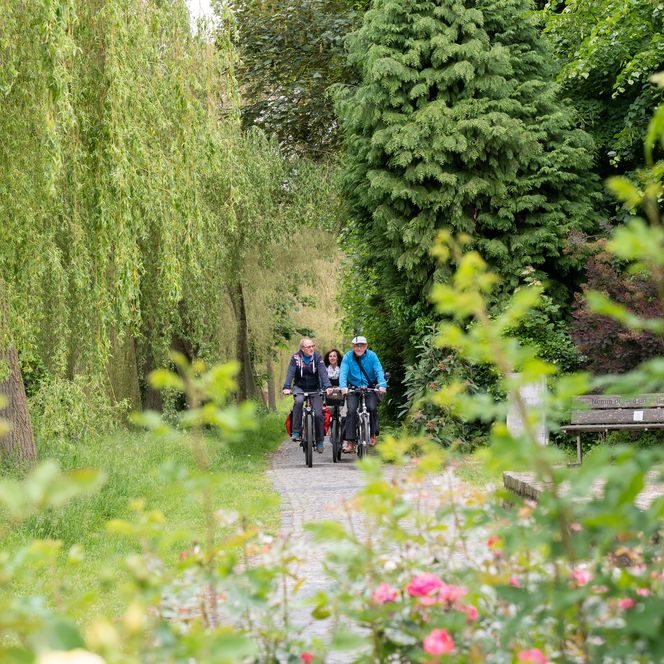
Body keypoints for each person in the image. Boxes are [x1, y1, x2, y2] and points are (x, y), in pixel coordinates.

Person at [283, 338, 332, 453]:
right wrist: (286, 387)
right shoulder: (296, 358)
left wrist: (328, 386)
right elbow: (290, 372)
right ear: (302, 348)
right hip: (299, 387)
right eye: (308, 347)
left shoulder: (317, 357)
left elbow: (323, 372)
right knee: (299, 401)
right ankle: (296, 431)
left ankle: (319, 441)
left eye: (312, 346)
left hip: (315, 388)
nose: (311, 348)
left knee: (319, 414)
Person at [339, 336, 387, 453]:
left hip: (369, 387)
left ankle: (373, 435)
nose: (359, 348)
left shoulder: (372, 356)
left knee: (372, 408)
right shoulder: (347, 357)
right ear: (353, 346)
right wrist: (343, 387)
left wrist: (382, 385)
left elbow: (379, 370)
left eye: (362, 345)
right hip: (353, 388)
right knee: (351, 411)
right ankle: (350, 442)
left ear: (366, 346)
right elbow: (343, 373)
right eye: (356, 346)